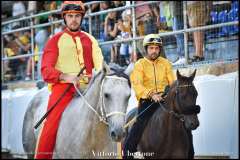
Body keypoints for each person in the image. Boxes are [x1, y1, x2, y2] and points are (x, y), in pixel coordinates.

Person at [34, 1, 103, 159]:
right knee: (50, 125)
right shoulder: (55, 40)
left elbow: (100, 67)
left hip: (90, 88)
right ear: (64, 18)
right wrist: (66, 76)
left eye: (77, 16)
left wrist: (94, 76)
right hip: (63, 88)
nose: (74, 19)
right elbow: (46, 71)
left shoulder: (91, 40)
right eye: (70, 16)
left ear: (82, 17)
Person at [122, 34, 175, 159]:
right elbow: (137, 85)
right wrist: (151, 94)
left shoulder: (166, 63)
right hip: (147, 101)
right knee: (139, 124)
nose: (154, 51)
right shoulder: (140, 64)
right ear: (146, 49)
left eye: (156, 48)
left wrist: (167, 92)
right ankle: (127, 154)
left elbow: (172, 82)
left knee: (183, 120)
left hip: (165, 99)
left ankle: (190, 153)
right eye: (151, 48)